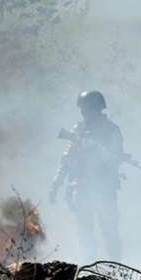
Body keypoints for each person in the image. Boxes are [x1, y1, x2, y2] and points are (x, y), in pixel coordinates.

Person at [50, 90, 123, 261]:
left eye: (87, 109)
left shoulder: (111, 130)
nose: (84, 112)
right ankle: (89, 266)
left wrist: (99, 151)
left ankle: (116, 267)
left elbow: (116, 158)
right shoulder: (79, 129)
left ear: (97, 109)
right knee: (84, 230)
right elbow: (66, 159)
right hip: (81, 187)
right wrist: (56, 184)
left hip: (104, 188)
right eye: (83, 109)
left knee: (109, 229)